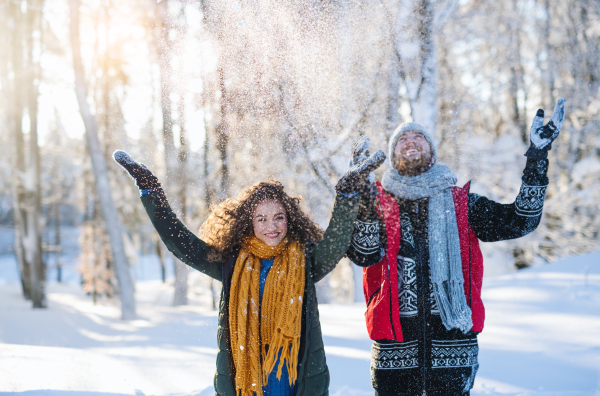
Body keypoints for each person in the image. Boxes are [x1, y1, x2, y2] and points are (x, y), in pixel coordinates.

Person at [112, 148, 384, 396]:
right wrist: (151, 192)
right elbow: (184, 245)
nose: (271, 226)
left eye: (279, 217)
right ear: (249, 223)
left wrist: (348, 193)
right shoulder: (232, 263)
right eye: (261, 219)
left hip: (296, 384)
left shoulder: (305, 260)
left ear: (290, 219)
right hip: (246, 383)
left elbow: (335, 242)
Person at [346, 99, 566, 396]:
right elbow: (364, 252)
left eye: (418, 136)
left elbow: (521, 221)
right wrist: (361, 193)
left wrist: (538, 157)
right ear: (393, 153)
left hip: (453, 350)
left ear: (432, 152)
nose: (410, 141)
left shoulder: (463, 205)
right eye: (402, 139)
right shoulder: (378, 205)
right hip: (394, 352)